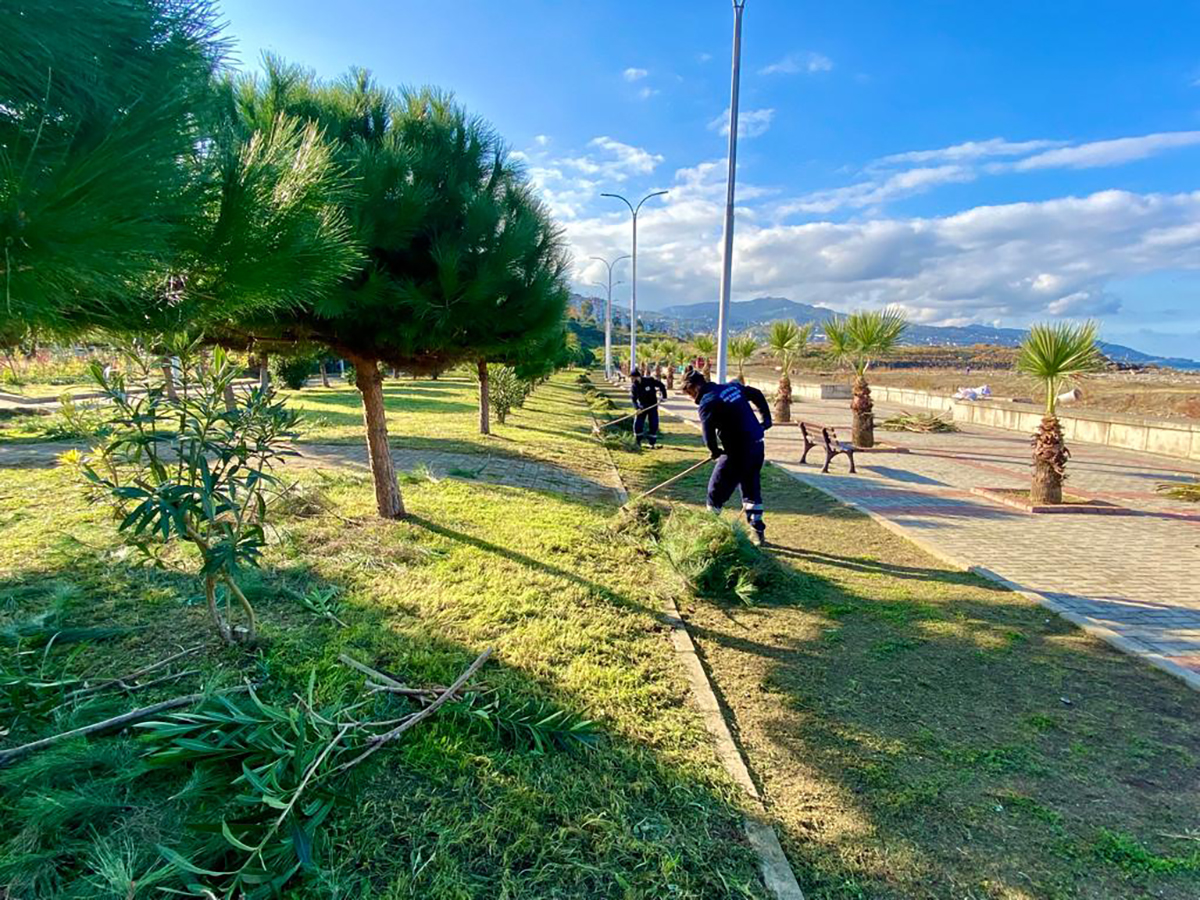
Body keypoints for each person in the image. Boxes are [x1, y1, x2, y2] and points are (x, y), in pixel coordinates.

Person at [682, 370, 772, 545]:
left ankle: (709, 530)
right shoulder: (733, 387)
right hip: (757, 446)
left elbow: (708, 434)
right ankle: (757, 531)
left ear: (696, 387)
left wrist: (714, 451)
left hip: (737, 451)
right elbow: (756, 394)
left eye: (689, 392)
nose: (690, 396)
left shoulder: (708, 402)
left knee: (715, 490)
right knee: (751, 486)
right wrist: (766, 419)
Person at [630, 367, 667, 448]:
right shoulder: (634, 386)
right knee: (638, 424)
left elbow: (661, 385)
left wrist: (664, 396)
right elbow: (633, 399)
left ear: (638, 376)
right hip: (642, 407)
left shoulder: (649, 381)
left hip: (653, 406)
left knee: (653, 424)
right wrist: (637, 408)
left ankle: (652, 443)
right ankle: (638, 442)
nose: (633, 379)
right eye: (632, 378)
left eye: (634, 378)